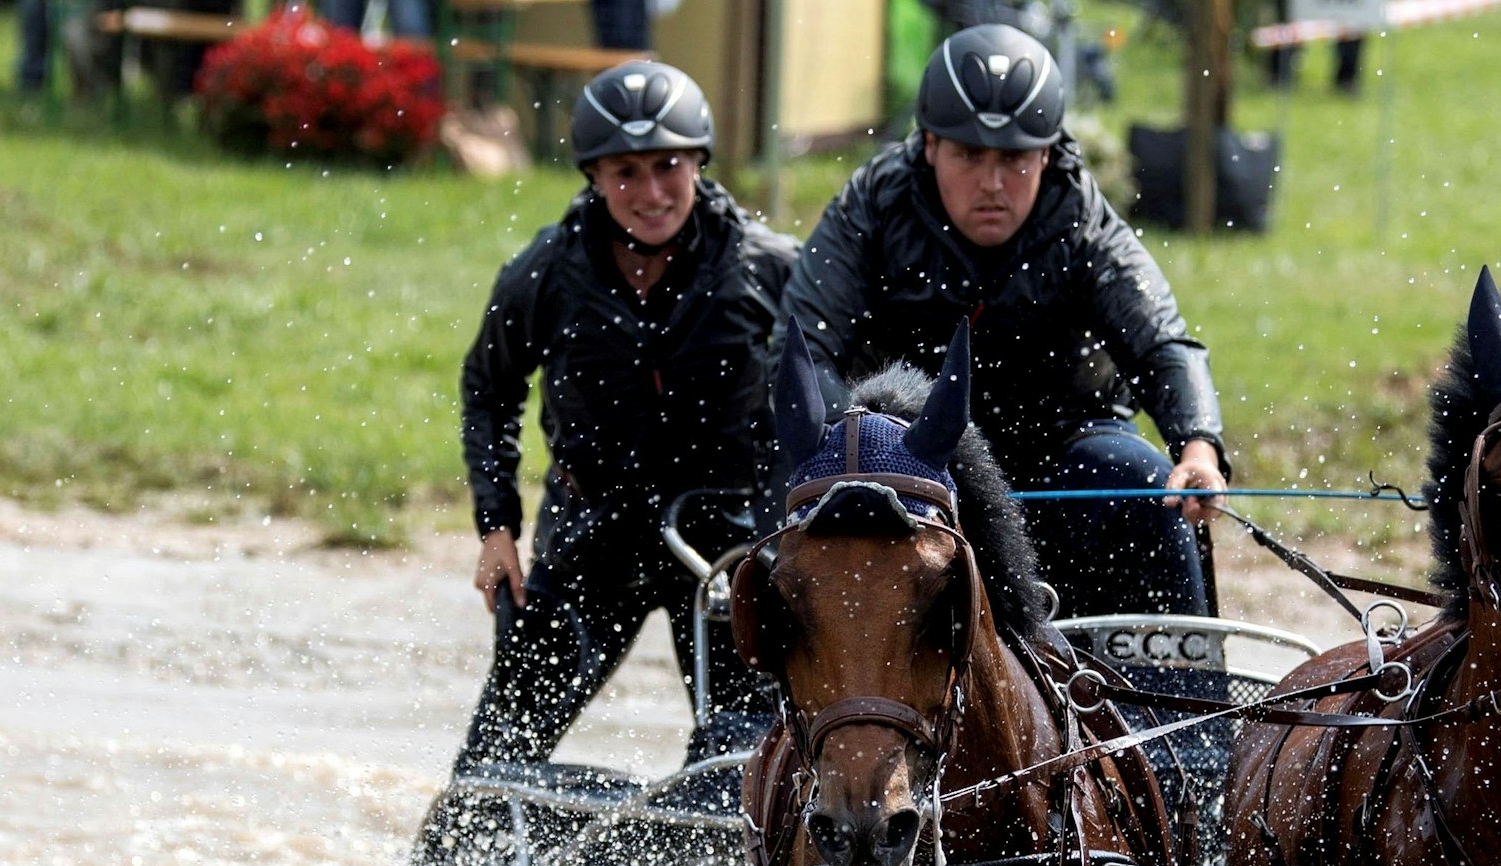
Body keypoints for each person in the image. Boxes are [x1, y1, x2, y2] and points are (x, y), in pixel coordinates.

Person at [778, 22, 1229, 620]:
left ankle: (1191, 705)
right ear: (930, 145)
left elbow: (1162, 343)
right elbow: (802, 350)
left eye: (1014, 159)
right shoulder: (873, 204)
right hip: (906, 460)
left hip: (1063, 450)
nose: (992, 184)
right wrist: (849, 455)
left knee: (1140, 475)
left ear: (1046, 152)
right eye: (969, 156)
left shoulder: (1082, 217)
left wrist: (1198, 447)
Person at [457, 61, 796, 771]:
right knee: (497, 758)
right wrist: (496, 527)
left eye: (669, 166)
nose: (651, 193)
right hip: (591, 538)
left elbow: (829, 391)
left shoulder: (767, 269)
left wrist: (793, 530)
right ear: (594, 177)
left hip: (724, 552)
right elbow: (489, 389)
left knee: (746, 760)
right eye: (626, 172)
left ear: (699, 162)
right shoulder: (544, 274)